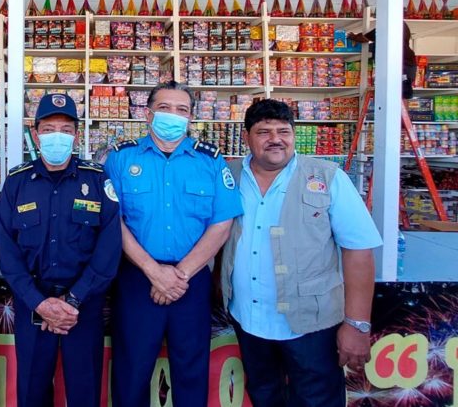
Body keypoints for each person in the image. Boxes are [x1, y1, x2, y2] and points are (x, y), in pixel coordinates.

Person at [220, 99, 382, 407]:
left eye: (284, 131)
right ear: (246, 137)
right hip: (249, 320)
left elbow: (358, 250)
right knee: (265, 396)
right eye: (263, 132)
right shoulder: (230, 175)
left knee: (316, 399)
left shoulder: (327, 177)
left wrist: (357, 323)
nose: (275, 139)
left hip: (311, 325)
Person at [104, 81, 243, 407]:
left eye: (182, 110)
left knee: (191, 372)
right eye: (165, 108)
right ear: (148, 113)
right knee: (131, 372)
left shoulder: (209, 161)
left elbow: (222, 223)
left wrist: (179, 274)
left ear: (191, 117)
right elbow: (114, 221)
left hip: (190, 282)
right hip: (137, 278)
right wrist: (153, 271)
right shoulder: (122, 158)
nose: (173, 115)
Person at [0, 93, 122, 406]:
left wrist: (73, 300)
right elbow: (7, 251)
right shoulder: (16, 181)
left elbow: (108, 248)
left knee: (84, 390)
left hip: (84, 305)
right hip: (32, 303)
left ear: (77, 136)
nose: (58, 136)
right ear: (36, 134)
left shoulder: (97, 179)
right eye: (49, 128)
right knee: (32, 390)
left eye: (66, 130)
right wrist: (39, 303)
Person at [348, 22, 416, 98]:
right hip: (407, 63)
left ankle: (397, 104)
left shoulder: (387, 26)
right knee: (403, 91)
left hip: (399, 64)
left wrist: (353, 37)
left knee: (399, 92)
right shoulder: (400, 25)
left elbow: (364, 38)